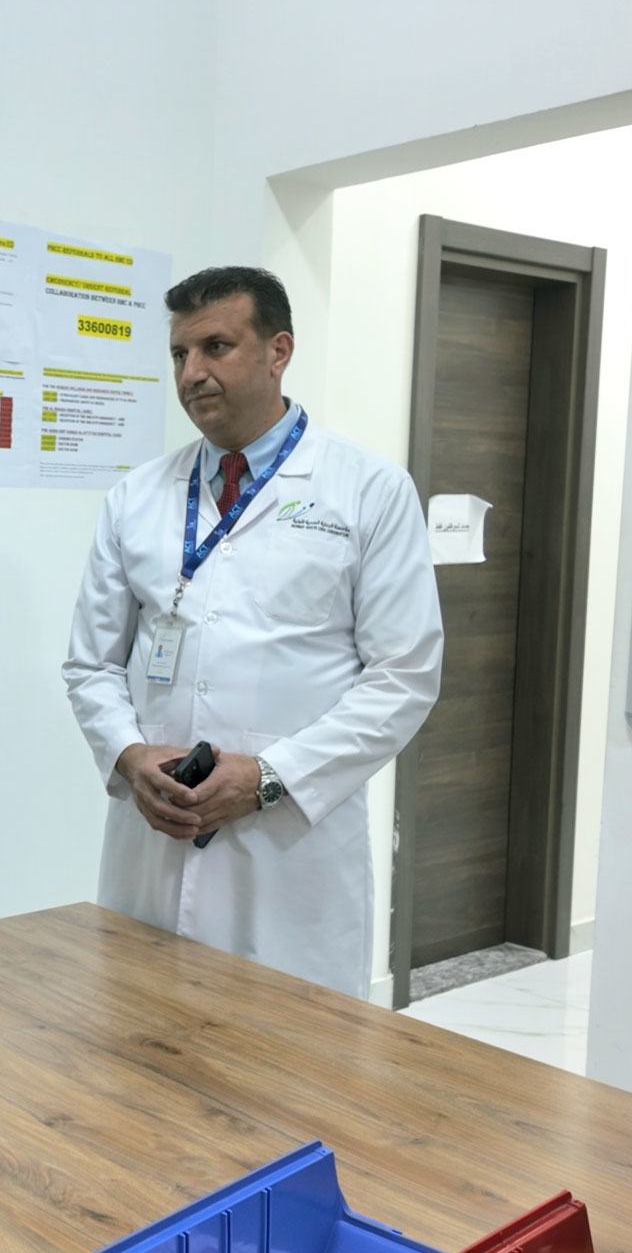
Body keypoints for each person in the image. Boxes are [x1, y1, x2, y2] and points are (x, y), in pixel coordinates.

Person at [62, 266, 442, 999]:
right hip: (156, 834)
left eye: (216, 347)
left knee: (288, 1069)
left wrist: (270, 778)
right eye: (179, 354)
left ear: (278, 351)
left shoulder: (367, 489)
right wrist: (130, 754)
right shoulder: (136, 497)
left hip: (289, 842)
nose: (193, 373)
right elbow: (91, 664)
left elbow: (404, 675)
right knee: (142, 1049)